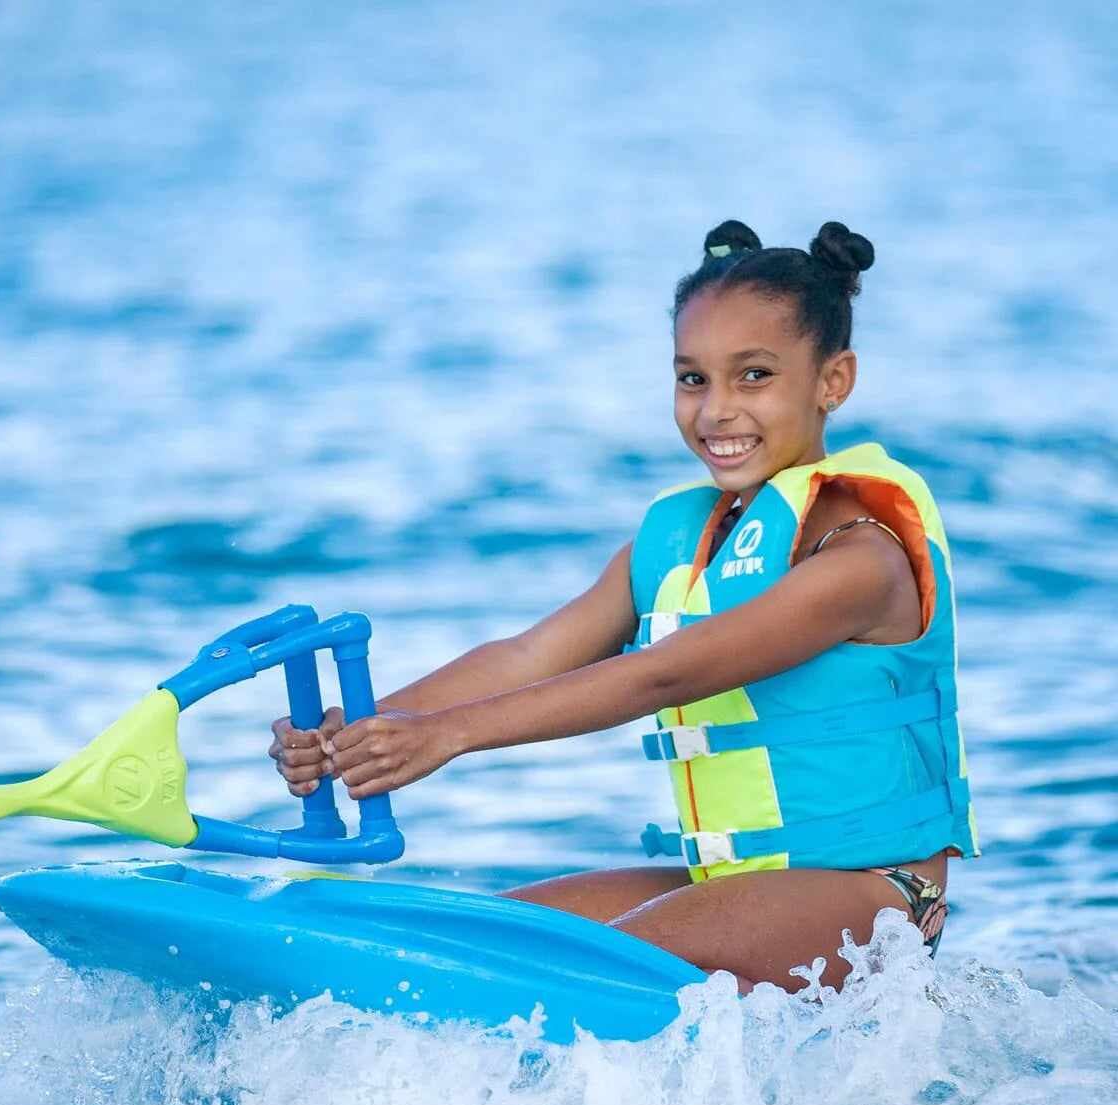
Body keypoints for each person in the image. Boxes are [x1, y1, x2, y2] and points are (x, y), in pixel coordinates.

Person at [271, 220, 979, 991]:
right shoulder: (678, 542)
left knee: (560, 973)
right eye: (692, 379)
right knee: (467, 947)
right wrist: (359, 734)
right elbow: (525, 657)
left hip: (878, 898)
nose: (716, 412)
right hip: (738, 881)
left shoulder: (860, 559)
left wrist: (446, 736)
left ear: (832, 382)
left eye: (754, 377)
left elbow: (666, 676)